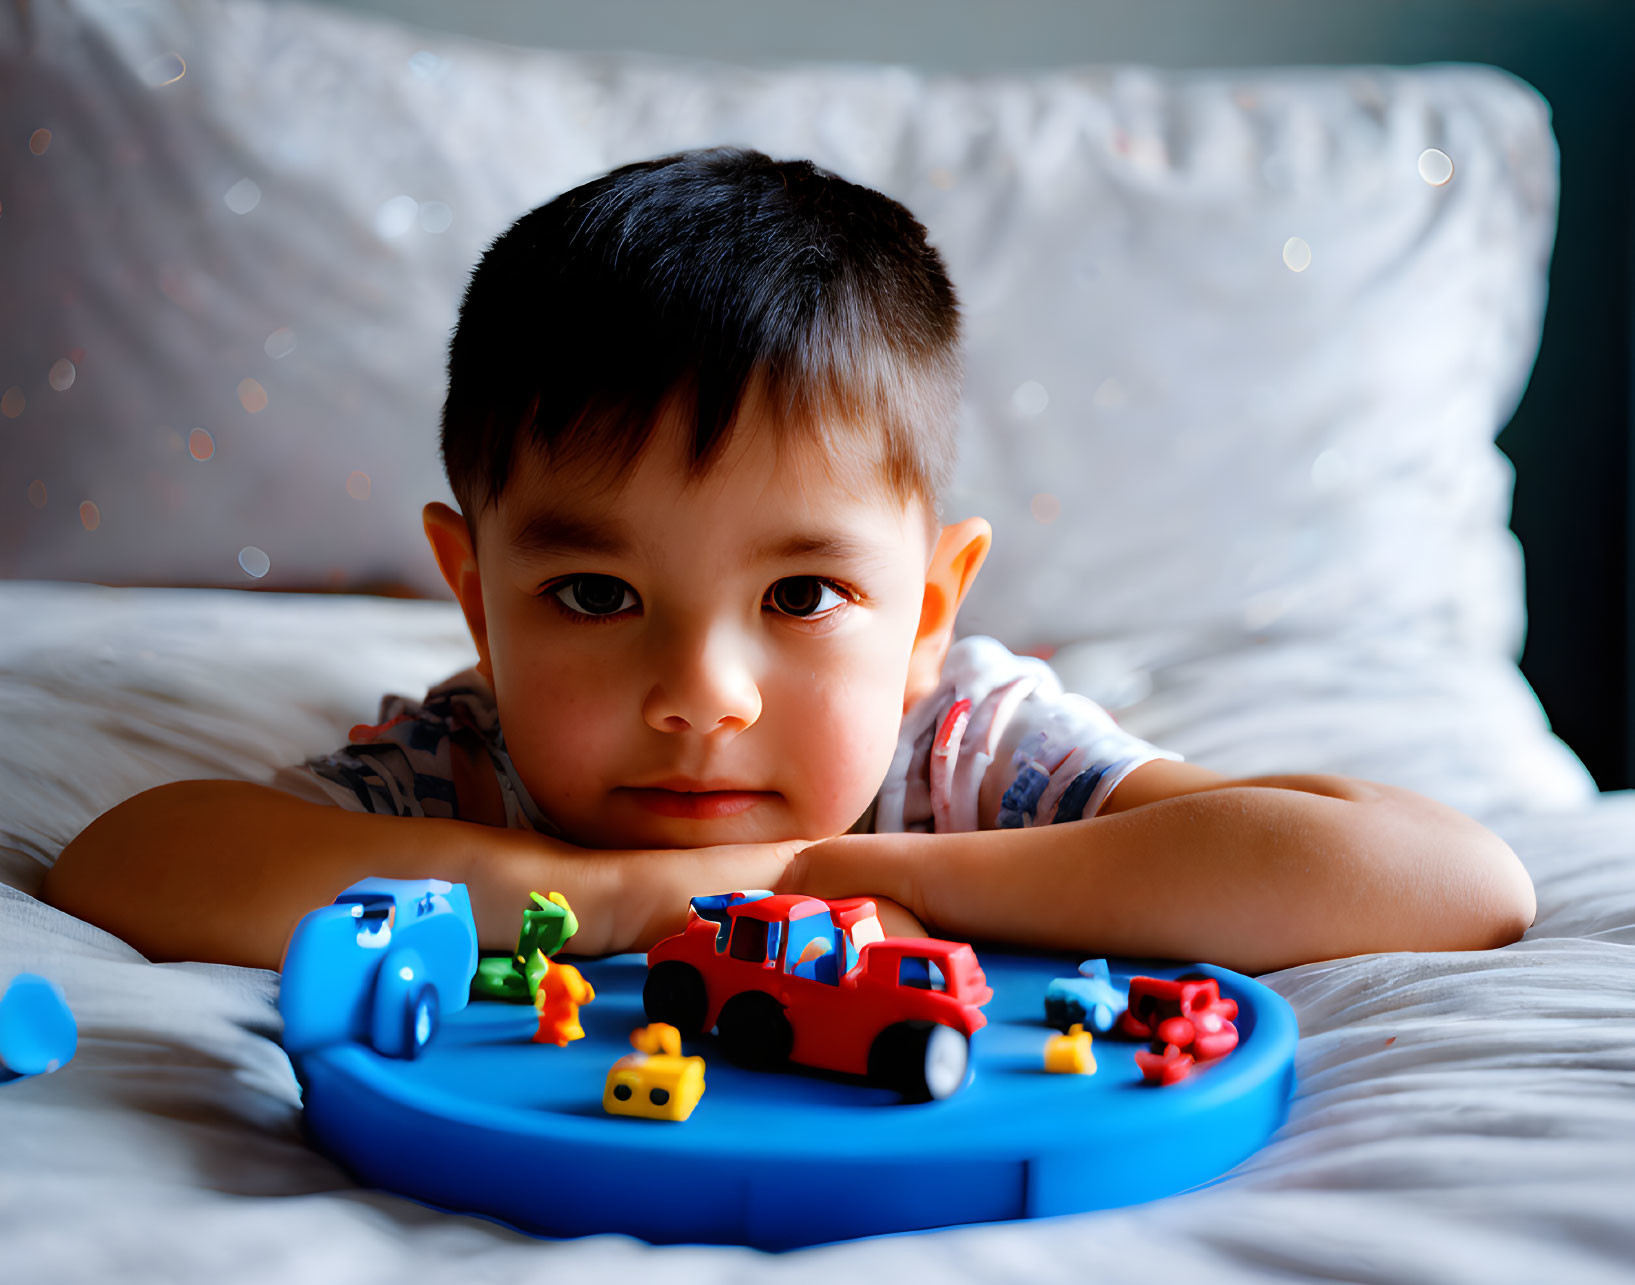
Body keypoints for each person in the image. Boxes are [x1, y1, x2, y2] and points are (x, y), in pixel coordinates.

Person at [43, 146, 1536, 975]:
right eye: (594, 595)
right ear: (475, 602)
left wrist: (836, 867)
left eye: (804, 596)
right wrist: (633, 903)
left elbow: (1451, 878)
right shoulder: (479, 763)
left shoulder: (966, 755)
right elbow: (135, 863)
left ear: (931, 611)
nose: (701, 696)